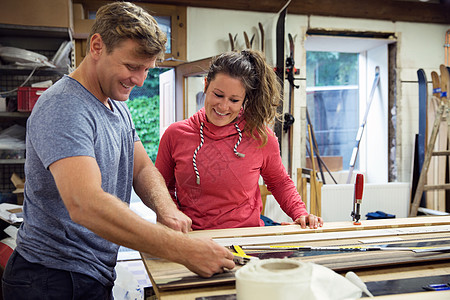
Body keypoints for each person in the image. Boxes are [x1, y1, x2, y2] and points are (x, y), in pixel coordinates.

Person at [2, 2, 234, 299]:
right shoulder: (65, 107)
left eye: (147, 70)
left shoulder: (116, 106)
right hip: (51, 279)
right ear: (97, 46)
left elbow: (141, 168)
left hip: (88, 274)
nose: (138, 81)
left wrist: (166, 210)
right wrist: (183, 249)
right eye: (131, 66)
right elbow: (86, 204)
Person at [155, 49, 324, 230]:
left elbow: (279, 182)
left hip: (246, 238)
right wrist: (172, 215)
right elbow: (159, 188)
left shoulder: (260, 137)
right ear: (205, 85)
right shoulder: (175, 135)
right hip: (193, 238)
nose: (223, 106)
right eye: (218, 95)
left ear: (244, 99)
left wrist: (300, 213)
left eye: (234, 100)